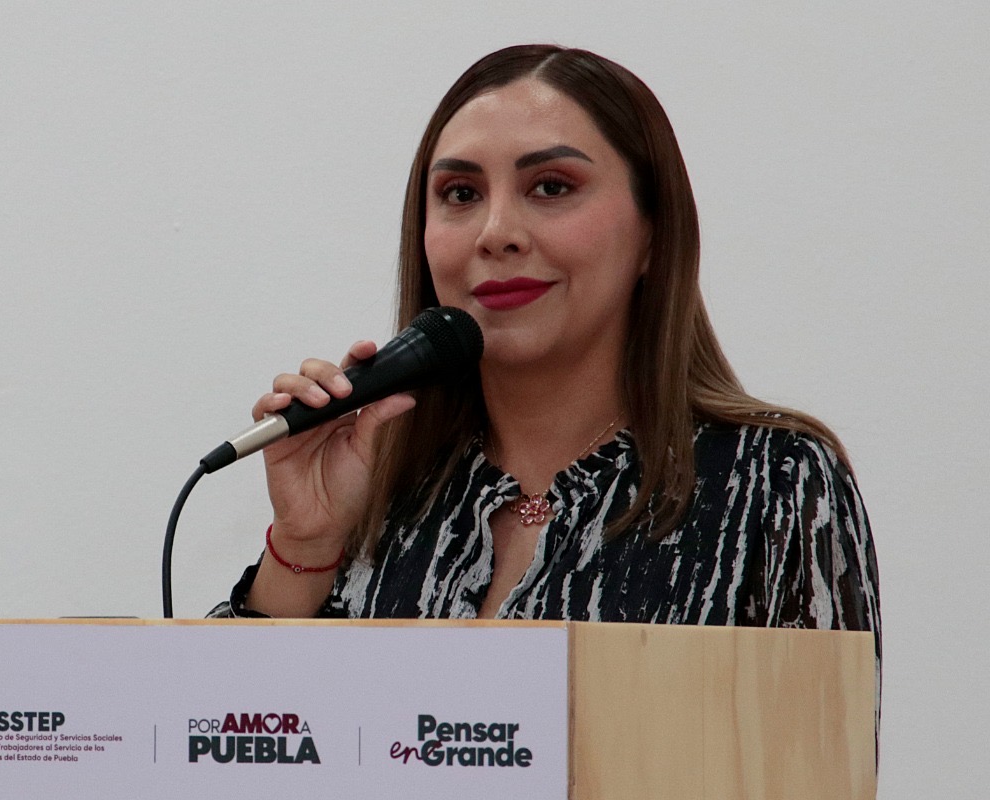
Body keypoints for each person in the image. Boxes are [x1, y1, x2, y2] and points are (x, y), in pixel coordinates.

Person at [212, 45, 880, 667]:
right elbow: (227, 739)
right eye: (461, 194)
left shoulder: (774, 481)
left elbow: (821, 752)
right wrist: (306, 544)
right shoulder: (380, 486)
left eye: (551, 187)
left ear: (653, 233)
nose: (497, 232)